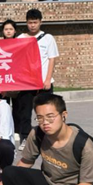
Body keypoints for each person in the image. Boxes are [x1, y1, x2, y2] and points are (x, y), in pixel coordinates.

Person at [15, 8, 59, 150]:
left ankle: (49, 138)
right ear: (26, 23)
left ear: (40, 22)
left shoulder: (48, 38)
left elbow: (52, 59)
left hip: (43, 83)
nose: (32, 25)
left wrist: (47, 79)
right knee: (25, 113)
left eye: (35, 22)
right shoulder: (20, 38)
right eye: (30, 22)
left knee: (46, 112)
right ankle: (25, 139)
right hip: (26, 83)